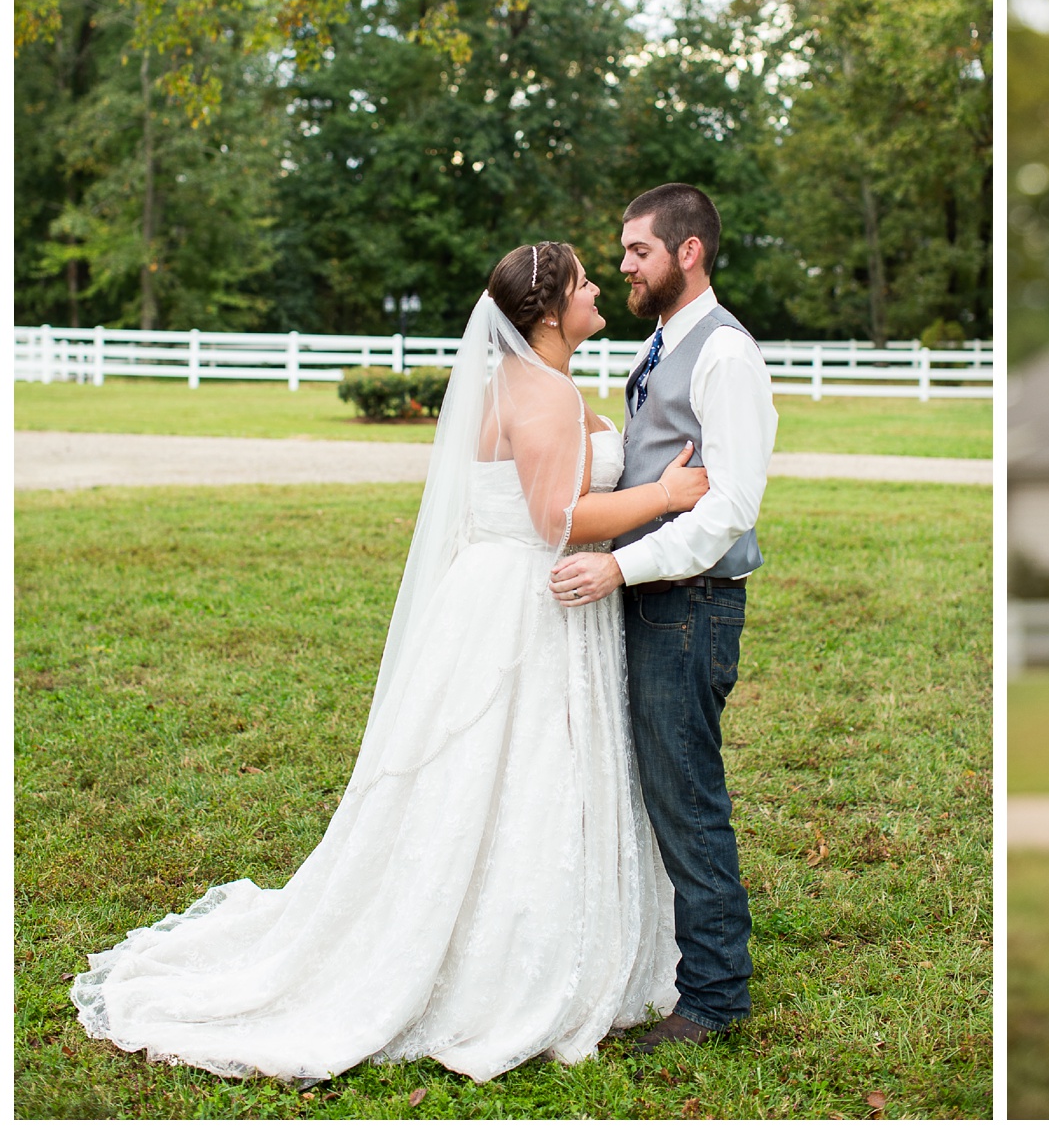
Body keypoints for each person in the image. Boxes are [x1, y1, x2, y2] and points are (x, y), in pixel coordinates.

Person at [72, 243, 709, 1082]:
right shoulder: (547, 393)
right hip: (532, 599)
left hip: (491, 593)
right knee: (523, 768)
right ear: (550, 312)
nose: (599, 289)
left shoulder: (515, 384)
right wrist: (666, 496)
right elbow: (561, 517)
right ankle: (500, 958)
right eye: (586, 281)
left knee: (483, 774)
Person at [550, 183, 778, 1047]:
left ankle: (715, 998)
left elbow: (728, 508)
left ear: (687, 251)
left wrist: (618, 562)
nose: (623, 266)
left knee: (687, 797)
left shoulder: (726, 355)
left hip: (690, 603)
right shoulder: (661, 344)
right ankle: (684, 969)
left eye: (637, 250)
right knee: (663, 787)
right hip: (657, 599)